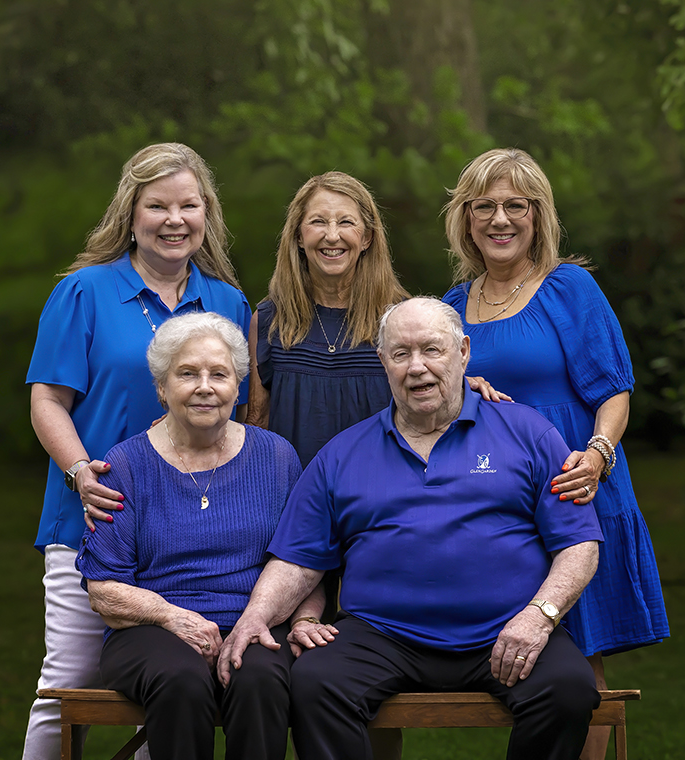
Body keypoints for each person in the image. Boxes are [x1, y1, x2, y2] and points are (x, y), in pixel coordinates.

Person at [221, 297, 605, 760]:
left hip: (505, 630)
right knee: (315, 683)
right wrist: (255, 617)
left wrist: (539, 615)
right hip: (383, 635)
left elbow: (579, 543)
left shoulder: (528, 432)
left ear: (463, 352)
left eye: (432, 350)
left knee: (568, 688)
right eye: (401, 354)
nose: (417, 367)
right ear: (383, 363)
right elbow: (298, 560)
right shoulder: (343, 453)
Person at [20, 142, 253, 760]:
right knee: (66, 685)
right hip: (99, 516)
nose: (174, 220)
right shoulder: (84, 292)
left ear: (208, 215)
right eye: (157, 206)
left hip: (193, 539)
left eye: (189, 205)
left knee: (184, 684)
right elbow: (48, 400)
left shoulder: (227, 302)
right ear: (131, 213)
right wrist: (77, 473)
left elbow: (241, 416)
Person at [440, 147, 670, 760]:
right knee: (521, 659)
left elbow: (614, 391)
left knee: (581, 667)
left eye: (517, 205)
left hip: (575, 490)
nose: (500, 219)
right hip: (499, 507)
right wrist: (461, 386)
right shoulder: (447, 307)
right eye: (483, 206)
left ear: (539, 217)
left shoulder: (569, 287)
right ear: (465, 219)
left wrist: (597, 456)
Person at [78, 312, 329, 760]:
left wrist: (303, 619)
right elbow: (104, 590)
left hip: (255, 620)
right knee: (182, 680)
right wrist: (173, 618)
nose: (204, 387)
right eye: (187, 373)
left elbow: (305, 559)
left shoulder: (276, 457)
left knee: (260, 681)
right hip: (152, 627)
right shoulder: (126, 465)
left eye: (219, 374)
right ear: (162, 387)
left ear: (238, 387)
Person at [247, 171, 407, 466]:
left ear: (367, 237)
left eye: (346, 222)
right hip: (295, 500)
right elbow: (257, 424)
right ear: (298, 235)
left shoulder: (402, 319)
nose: (332, 235)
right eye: (318, 221)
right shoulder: (269, 321)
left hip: (381, 503)